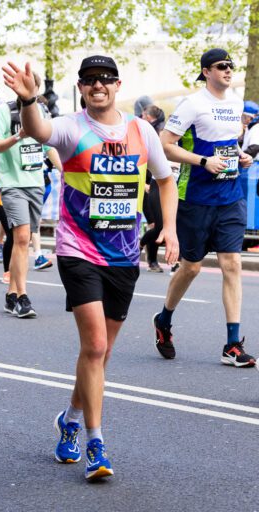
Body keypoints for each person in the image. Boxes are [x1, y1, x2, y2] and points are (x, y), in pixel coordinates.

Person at [3, 55, 179, 481]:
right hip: (78, 250)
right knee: (95, 347)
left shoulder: (142, 132)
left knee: (99, 354)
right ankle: (95, 444)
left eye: (104, 79)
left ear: (118, 85)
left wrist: (170, 228)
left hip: (123, 255)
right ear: (80, 88)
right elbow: (39, 130)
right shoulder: (70, 126)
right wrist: (30, 99)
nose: (97, 85)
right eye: (89, 80)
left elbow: (165, 179)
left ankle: (68, 418)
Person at [153, 48, 255, 367]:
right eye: (221, 66)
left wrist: (240, 156)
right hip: (196, 197)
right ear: (206, 71)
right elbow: (164, 144)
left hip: (230, 196)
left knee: (232, 264)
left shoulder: (236, 103)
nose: (228, 70)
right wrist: (202, 161)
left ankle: (232, 345)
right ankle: (164, 320)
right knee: (192, 267)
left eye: (230, 66)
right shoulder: (193, 104)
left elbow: (227, 143)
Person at [0, 78, 61, 319]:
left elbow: (48, 145)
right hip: (12, 184)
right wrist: (17, 136)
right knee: (20, 237)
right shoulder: (2, 112)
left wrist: (64, 170)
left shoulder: (40, 111)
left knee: (26, 239)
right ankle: (22, 296)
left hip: (35, 183)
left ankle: (10, 294)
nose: (29, 91)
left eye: (33, 87)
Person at [140, 105, 167, 272]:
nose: (141, 117)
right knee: (154, 225)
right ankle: (151, 260)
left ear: (150, 118)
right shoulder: (141, 134)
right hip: (144, 185)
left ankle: (150, 259)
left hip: (155, 184)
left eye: (143, 115)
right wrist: (143, 184)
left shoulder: (157, 136)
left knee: (156, 225)